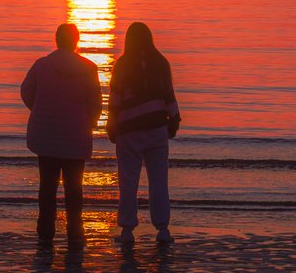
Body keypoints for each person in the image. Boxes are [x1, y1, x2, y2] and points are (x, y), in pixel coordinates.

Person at [20, 23, 102, 248]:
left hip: (46, 136)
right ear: (76, 41)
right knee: (74, 187)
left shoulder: (42, 65)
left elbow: (26, 92)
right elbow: (96, 103)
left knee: (47, 186)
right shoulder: (88, 68)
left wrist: (39, 110)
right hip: (75, 135)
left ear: (57, 39)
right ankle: (75, 231)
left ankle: (45, 231)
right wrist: (89, 121)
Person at [107, 22, 181, 246]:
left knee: (128, 181)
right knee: (159, 181)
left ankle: (128, 229)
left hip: (129, 131)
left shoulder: (122, 64)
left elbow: (115, 100)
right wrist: (174, 122)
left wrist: (111, 126)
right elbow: (169, 97)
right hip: (157, 130)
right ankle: (163, 229)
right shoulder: (160, 63)